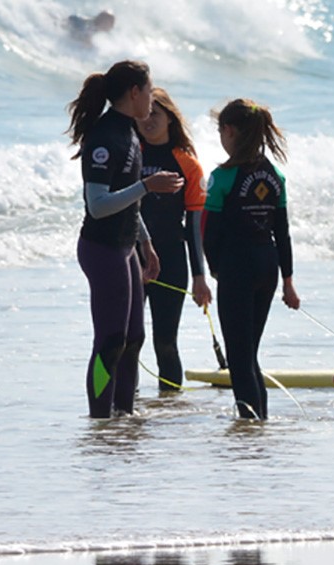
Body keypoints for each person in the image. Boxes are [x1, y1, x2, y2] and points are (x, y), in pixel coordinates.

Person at [67, 60, 181, 418]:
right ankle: (100, 419)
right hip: (102, 248)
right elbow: (98, 205)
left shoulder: (130, 132)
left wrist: (144, 241)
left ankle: (125, 415)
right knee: (111, 340)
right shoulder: (104, 137)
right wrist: (147, 185)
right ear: (134, 93)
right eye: (149, 90)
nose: (152, 97)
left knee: (134, 339)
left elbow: (126, 200)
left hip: (126, 245)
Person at [203, 99, 301, 420]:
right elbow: (282, 233)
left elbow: (210, 233)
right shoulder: (275, 177)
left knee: (239, 357)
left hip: (237, 268)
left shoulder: (222, 177)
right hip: (267, 267)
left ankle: (250, 426)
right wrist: (288, 282)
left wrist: (216, 269)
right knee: (249, 355)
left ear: (229, 131)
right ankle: (260, 421)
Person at [135, 87, 207, 393]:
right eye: (144, 114)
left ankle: (168, 407)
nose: (149, 120)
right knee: (126, 340)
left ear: (170, 118)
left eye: (156, 113)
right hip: (132, 259)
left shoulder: (186, 162)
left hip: (171, 261)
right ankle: (125, 406)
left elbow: (193, 227)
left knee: (165, 342)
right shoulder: (130, 154)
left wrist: (199, 277)